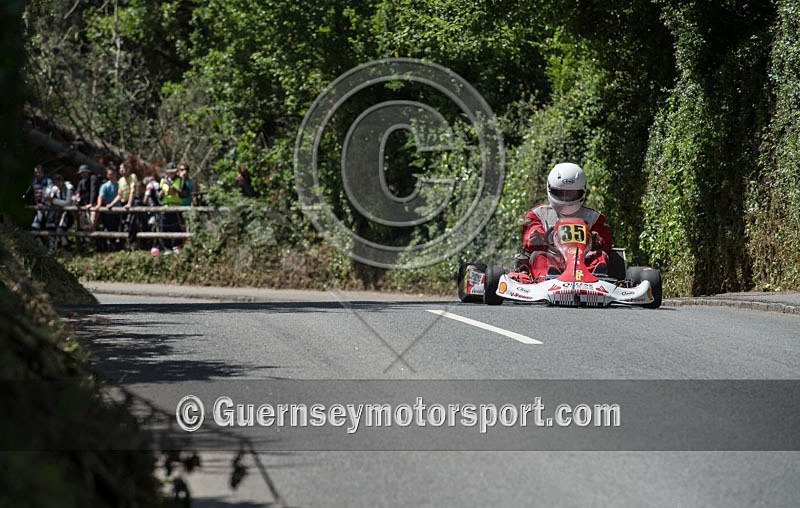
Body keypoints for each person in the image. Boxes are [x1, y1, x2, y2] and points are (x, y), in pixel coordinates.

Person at [520, 162, 612, 278]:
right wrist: (536, 238)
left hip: (583, 262)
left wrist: (597, 240)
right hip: (552, 259)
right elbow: (530, 237)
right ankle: (549, 276)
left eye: (571, 194)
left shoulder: (595, 218)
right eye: (561, 193)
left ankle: (596, 276)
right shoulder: (538, 214)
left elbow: (606, 244)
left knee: (601, 256)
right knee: (539, 256)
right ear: (551, 189)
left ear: (581, 191)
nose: (566, 198)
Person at [44, 174, 74, 254]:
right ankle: (57, 247)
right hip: (58, 213)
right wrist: (49, 200)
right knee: (51, 226)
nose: (58, 185)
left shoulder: (69, 188)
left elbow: (68, 203)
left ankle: (67, 248)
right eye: (56, 183)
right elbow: (49, 201)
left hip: (69, 213)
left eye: (59, 182)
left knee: (61, 229)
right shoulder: (55, 189)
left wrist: (53, 201)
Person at [93, 166, 121, 249]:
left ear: (116, 174)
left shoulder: (120, 184)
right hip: (109, 212)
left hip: (119, 210)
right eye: (110, 174)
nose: (111, 176)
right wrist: (98, 204)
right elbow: (100, 196)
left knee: (119, 229)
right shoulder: (105, 186)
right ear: (107, 175)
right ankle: (111, 246)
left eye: (113, 174)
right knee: (110, 228)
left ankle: (118, 246)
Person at [159, 162, 183, 252]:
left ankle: (177, 246)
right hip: (165, 207)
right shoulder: (163, 180)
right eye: (170, 172)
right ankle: (167, 248)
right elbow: (166, 190)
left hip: (176, 207)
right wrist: (169, 189)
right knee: (165, 227)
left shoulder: (179, 180)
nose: (171, 174)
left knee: (176, 227)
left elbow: (173, 191)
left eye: (173, 172)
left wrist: (169, 189)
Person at [29, 164, 53, 231]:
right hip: (38, 205)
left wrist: (43, 202)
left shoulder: (48, 181)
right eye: (36, 172)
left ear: (42, 172)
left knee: (50, 224)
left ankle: (54, 241)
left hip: (47, 205)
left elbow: (48, 193)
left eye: (39, 172)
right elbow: (34, 193)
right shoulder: (34, 181)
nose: (37, 174)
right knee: (35, 225)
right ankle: (37, 240)